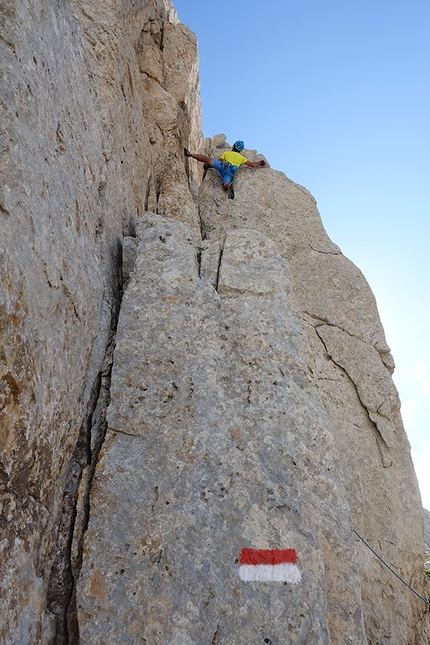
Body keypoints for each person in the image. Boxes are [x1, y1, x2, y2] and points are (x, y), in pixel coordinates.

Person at [184, 140, 266, 198]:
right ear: (240, 150)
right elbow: (252, 165)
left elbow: (218, 161)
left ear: (233, 146)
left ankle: (190, 154)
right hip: (230, 173)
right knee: (225, 185)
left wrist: (208, 166)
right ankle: (228, 185)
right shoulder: (241, 158)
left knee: (206, 159)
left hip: (223, 166)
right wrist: (260, 163)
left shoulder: (227, 153)